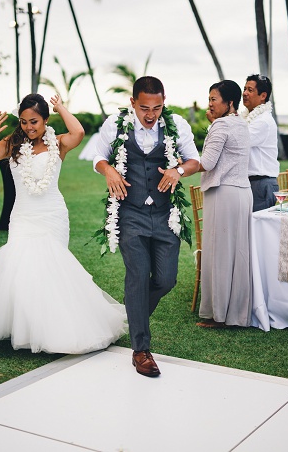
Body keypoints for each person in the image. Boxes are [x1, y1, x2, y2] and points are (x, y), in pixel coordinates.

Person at [0, 94, 127, 354]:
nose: (28, 127)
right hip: (23, 215)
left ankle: (54, 328)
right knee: (22, 269)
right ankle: (29, 329)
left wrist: (61, 107)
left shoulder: (58, 144)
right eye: (23, 122)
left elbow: (78, 132)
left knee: (51, 270)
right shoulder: (11, 144)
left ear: (45, 119)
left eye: (34, 121)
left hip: (52, 214)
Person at [93, 77, 200, 377]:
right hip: (131, 212)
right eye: (144, 108)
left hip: (166, 214)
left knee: (166, 279)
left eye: (157, 107)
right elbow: (99, 158)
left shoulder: (176, 124)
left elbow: (194, 160)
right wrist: (109, 170)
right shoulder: (115, 124)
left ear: (164, 102)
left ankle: (135, 310)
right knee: (138, 275)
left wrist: (178, 170)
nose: (151, 114)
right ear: (132, 103)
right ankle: (141, 351)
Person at [197, 80, 253, 329]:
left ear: (229, 103)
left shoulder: (220, 125)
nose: (209, 104)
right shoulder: (240, 123)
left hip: (223, 193)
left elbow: (207, 162)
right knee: (238, 255)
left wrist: (179, 164)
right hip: (242, 192)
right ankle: (237, 313)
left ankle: (218, 315)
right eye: (209, 99)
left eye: (213, 99)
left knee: (219, 254)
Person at [240, 74, 279, 211]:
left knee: (257, 230)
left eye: (250, 90)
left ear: (263, 96)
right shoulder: (247, 117)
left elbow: (239, 142)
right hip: (253, 182)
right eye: (244, 89)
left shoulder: (262, 121)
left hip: (260, 184)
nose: (244, 93)